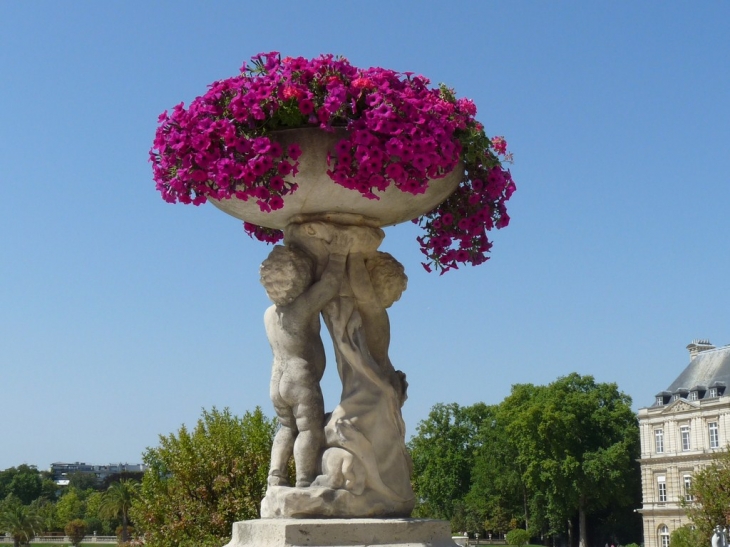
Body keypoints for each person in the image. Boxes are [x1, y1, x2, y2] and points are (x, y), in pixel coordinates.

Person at [260, 230, 351, 487]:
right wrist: (338, 254)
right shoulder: (301, 307)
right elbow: (330, 285)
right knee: (309, 430)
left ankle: (276, 475)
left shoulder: (270, 314)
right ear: (299, 278)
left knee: (286, 429)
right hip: (300, 378)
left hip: (276, 380)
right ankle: (303, 479)